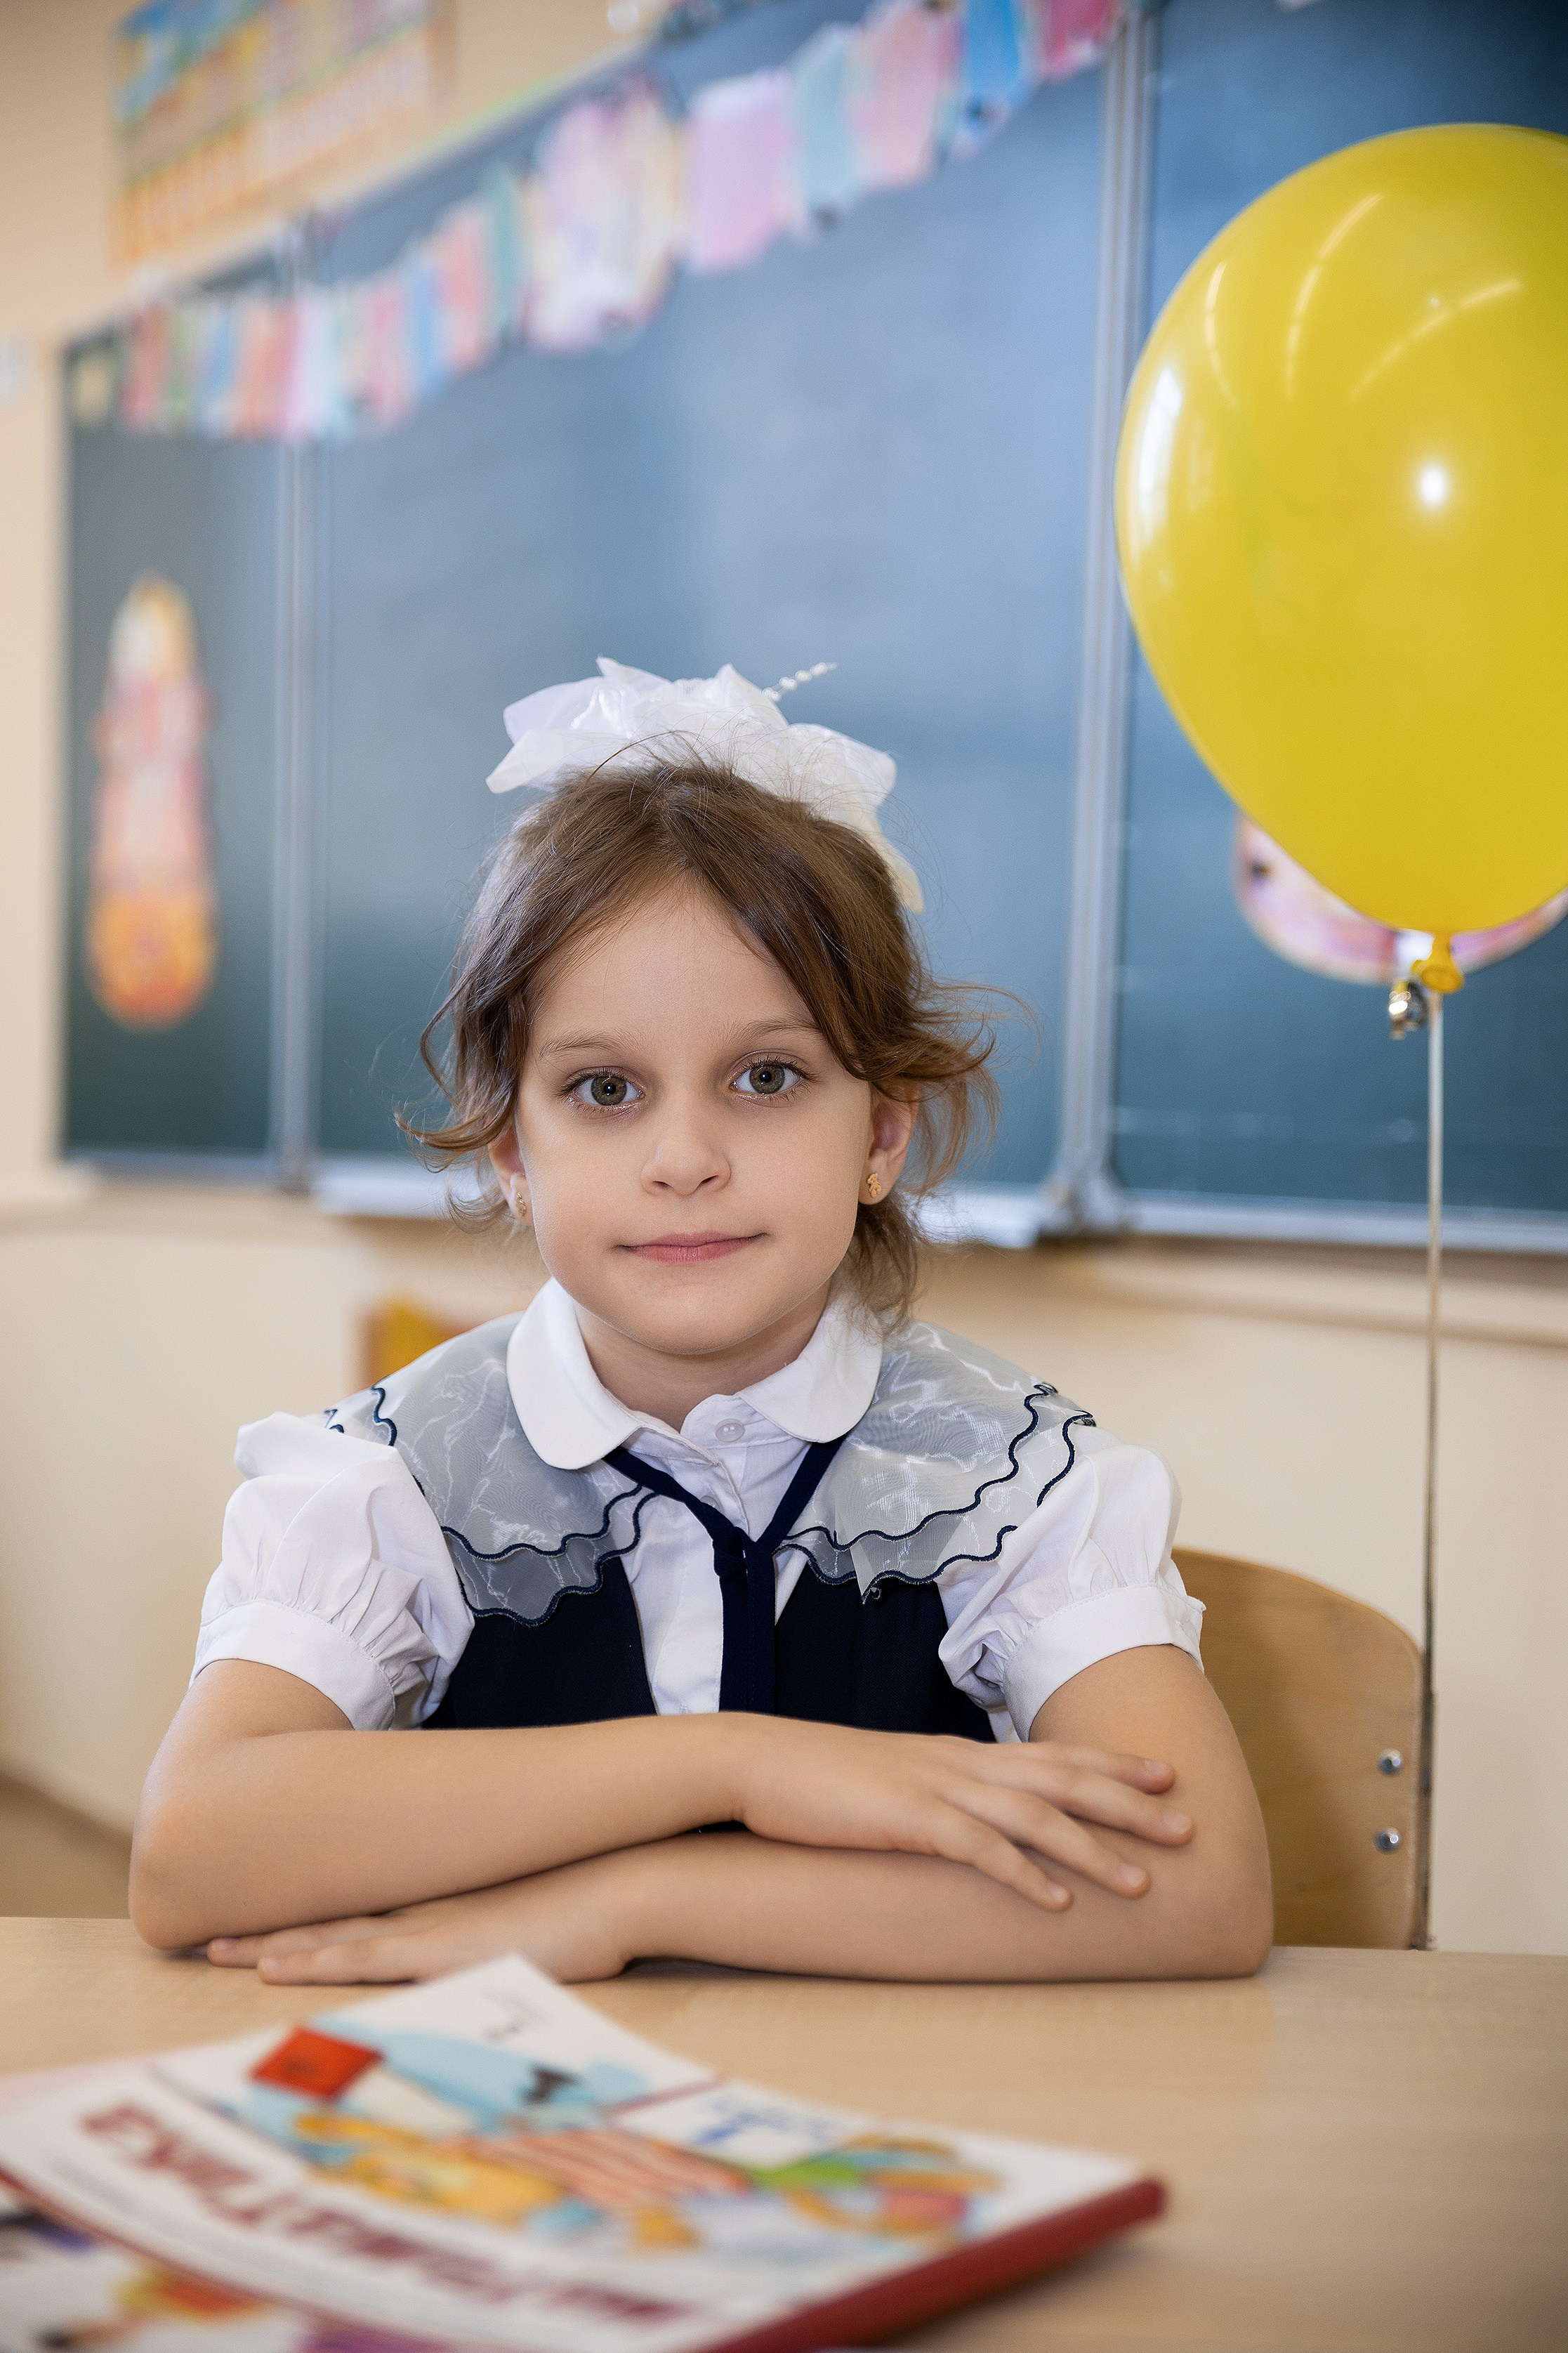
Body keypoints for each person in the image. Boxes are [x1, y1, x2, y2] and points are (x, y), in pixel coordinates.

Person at [131, 660, 1272, 1986]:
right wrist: (734, 1764)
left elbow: (1202, 1891)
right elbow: (189, 1857)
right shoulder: (390, 1481)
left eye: (766, 1076)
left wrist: (639, 1898)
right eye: (605, 1089)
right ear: (512, 1149)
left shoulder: (1004, 1481)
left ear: (881, 1132)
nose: (684, 1158)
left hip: (889, 2097)